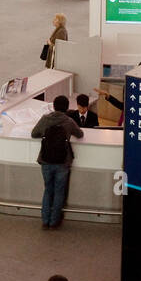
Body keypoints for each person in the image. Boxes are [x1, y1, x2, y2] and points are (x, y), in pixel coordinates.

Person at [30, 95, 83, 229]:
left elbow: (34, 133)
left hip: (46, 161)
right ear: (66, 108)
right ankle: (54, 222)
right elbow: (80, 134)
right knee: (59, 191)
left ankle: (45, 220)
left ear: (53, 106)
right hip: (62, 162)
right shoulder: (69, 121)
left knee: (48, 189)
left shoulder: (45, 119)